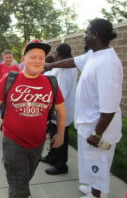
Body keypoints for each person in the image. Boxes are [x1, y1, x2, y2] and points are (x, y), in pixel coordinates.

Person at [46, 19, 123, 198]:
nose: (83, 35)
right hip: (88, 123)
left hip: (99, 128)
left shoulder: (107, 63)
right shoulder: (94, 55)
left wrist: (97, 134)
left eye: (86, 32)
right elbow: (73, 61)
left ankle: (97, 194)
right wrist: (50, 65)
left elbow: (109, 107)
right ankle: (93, 188)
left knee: (99, 163)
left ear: (95, 35)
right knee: (90, 162)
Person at [0, 40, 66, 198]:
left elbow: (61, 111)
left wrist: (61, 134)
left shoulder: (51, 83)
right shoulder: (10, 79)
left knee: (22, 180)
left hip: (38, 144)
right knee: (19, 189)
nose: (37, 60)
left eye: (41, 57)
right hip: (14, 144)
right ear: (23, 59)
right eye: (33, 56)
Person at [41, 43, 77, 175]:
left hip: (61, 110)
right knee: (52, 132)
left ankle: (61, 165)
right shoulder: (60, 66)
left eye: (56, 53)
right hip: (55, 109)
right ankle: (52, 156)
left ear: (60, 55)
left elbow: (60, 93)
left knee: (60, 136)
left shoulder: (67, 71)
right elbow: (50, 73)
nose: (54, 55)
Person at [0, 49, 20, 119]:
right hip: (1, 93)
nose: (9, 59)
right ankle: (4, 127)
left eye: (10, 57)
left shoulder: (16, 68)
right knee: (3, 113)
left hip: (12, 94)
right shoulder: (0, 66)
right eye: (7, 58)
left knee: (11, 112)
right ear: (3, 58)